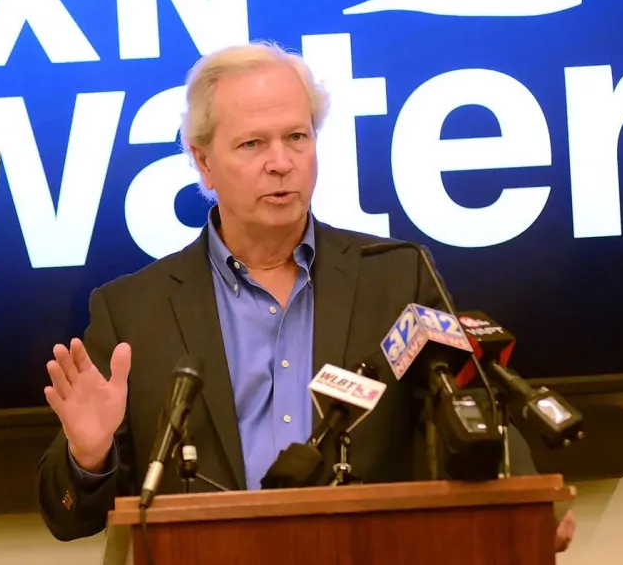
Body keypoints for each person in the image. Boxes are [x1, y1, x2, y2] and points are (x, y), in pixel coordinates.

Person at [35, 40, 576, 550]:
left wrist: (524, 502)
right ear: (203, 162)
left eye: (297, 137)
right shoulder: (133, 312)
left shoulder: (396, 279)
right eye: (252, 144)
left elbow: (467, 406)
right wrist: (89, 454)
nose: (281, 162)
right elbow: (69, 517)